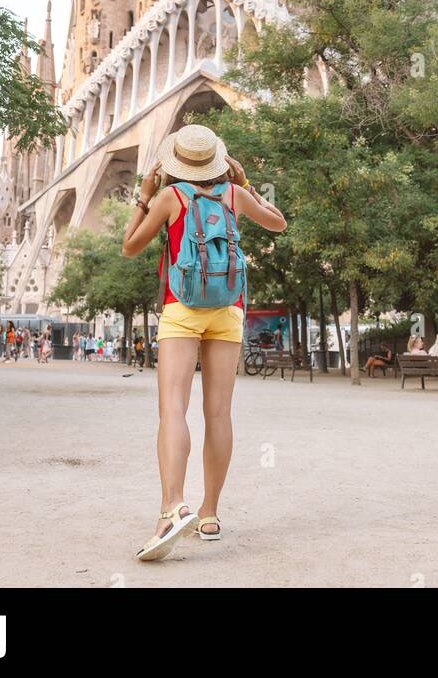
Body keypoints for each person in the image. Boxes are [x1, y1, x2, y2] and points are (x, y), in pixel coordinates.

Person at [122, 124, 286, 562]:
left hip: (183, 307)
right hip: (228, 308)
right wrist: (245, 182)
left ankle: (172, 507)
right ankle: (210, 514)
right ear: (217, 162)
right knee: (219, 413)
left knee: (173, 409)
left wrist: (143, 194)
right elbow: (278, 222)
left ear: (175, 165)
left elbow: (129, 247)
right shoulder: (235, 196)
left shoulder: (168, 199)